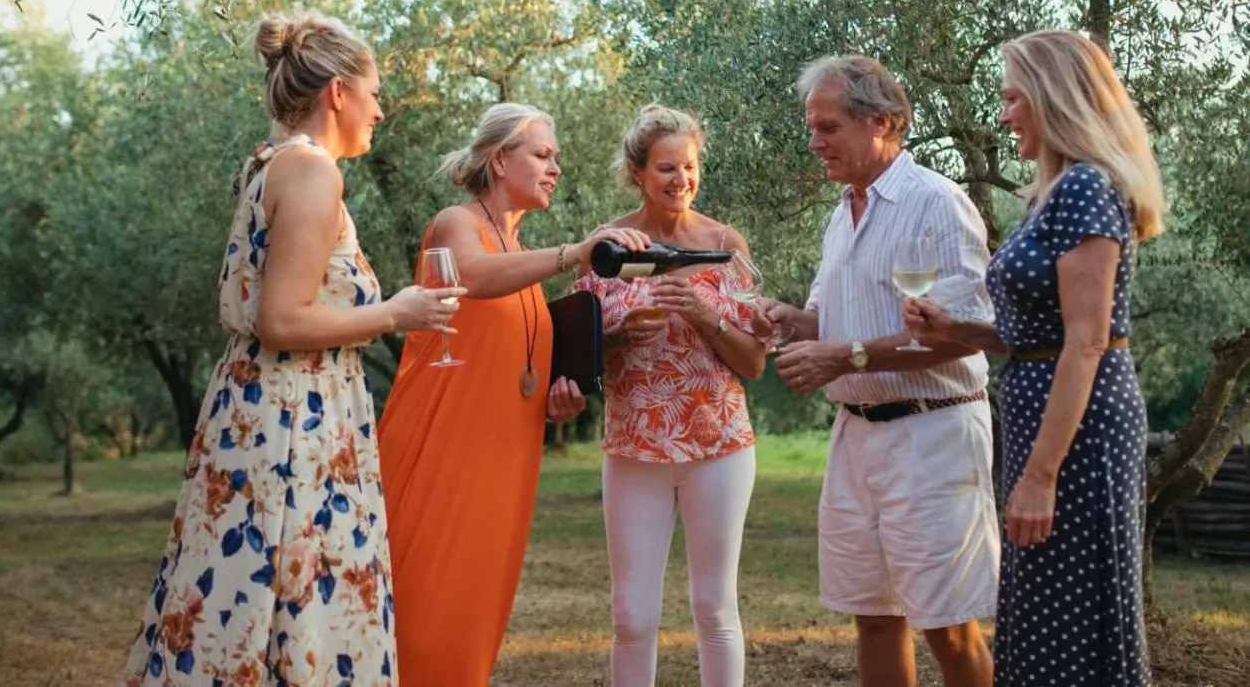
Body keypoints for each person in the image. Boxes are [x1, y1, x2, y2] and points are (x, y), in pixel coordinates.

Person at [123, 15, 463, 687]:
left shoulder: (272, 161)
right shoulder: (311, 172)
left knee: (243, 601)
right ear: (337, 93)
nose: (380, 110)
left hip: (262, 408)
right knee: (295, 604)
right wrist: (395, 313)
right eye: (374, 93)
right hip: (292, 422)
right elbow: (282, 319)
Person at [904, 30, 1163, 687]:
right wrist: (957, 328)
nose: (1003, 115)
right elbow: (1041, 334)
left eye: (1013, 98)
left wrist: (1043, 475)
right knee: (1042, 602)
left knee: (1073, 610)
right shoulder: (1052, 193)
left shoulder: (1086, 190)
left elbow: (1088, 341)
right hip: (1044, 423)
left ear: (1054, 99)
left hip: (1077, 436)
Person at [376, 102, 649, 686]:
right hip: (444, 449)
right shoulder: (458, 224)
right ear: (500, 160)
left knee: (475, 612)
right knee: (425, 611)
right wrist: (576, 252)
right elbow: (472, 277)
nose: (555, 168)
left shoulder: (520, 254)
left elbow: (512, 362)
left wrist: (554, 397)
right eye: (542, 155)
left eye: (557, 158)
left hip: (505, 456)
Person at [759, 55, 999, 687]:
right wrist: (787, 319)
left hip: (933, 435)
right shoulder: (842, 212)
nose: (815, 143)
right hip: (856, 437)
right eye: (812, 128)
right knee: (874, 618)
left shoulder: (937, 204)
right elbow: (824, 320)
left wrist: (847, 356)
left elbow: (961, 334)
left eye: (828, 127)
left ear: (882, 123)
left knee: (949, 626)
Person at [573, 105, 768, 687]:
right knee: (631, 616)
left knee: (714, 608)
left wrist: (709, 319)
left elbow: (754, 364)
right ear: (637, 172)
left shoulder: (725, 245)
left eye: (689, 166)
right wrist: (618, 337)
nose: (681, 179)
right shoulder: (605, 248)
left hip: (719, 447)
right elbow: (579, 360)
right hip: (634, 448)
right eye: (666, 168)